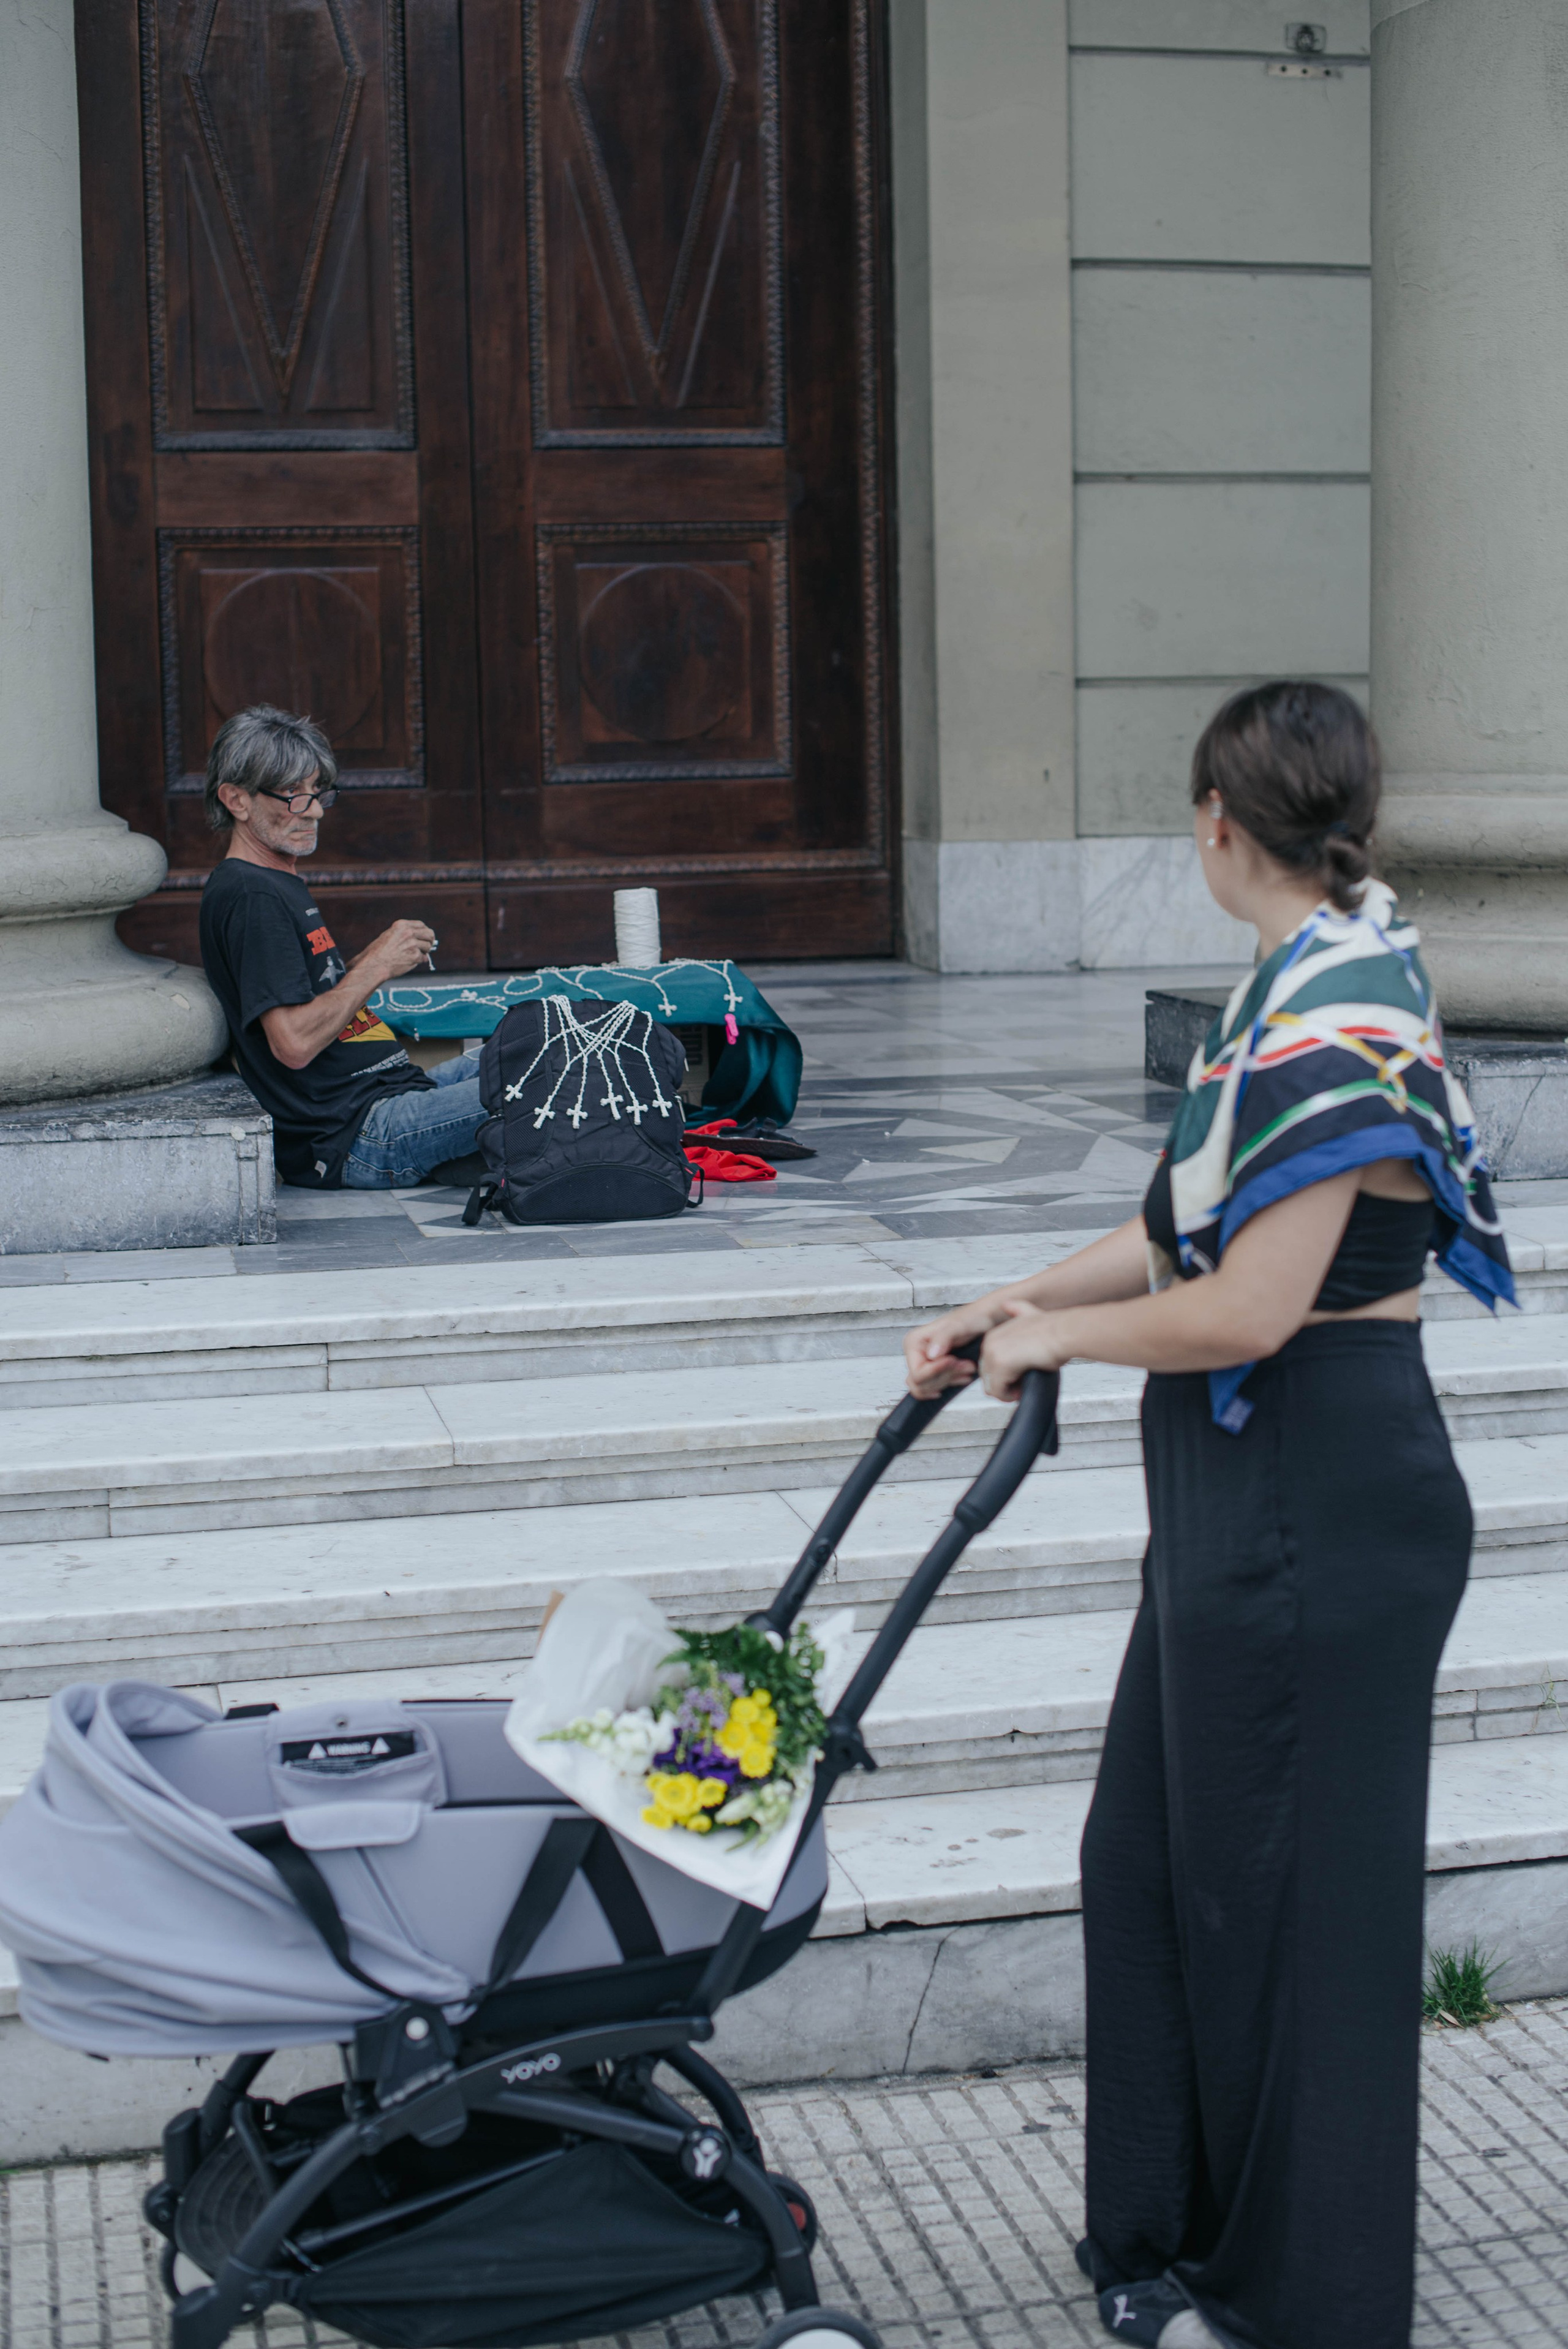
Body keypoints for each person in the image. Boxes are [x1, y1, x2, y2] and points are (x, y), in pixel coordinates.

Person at [903, 682, 1513, 2349]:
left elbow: (1250, 1307)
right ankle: (1170, 2231)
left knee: (1299, 1908)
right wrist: (1004, 1298)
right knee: (1157, 1857)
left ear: (1217, 825)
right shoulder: (1291, 982)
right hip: (1249, 1485)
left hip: (1327, 1484)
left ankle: (1296, 2306)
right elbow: (1177, 1222)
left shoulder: (1339, 1013)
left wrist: (1060, 1339)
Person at [198, 705, 488, 1190]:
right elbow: (292, 1043)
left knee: (548, 1038)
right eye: (291, 794)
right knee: (552, 1079)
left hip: (396, 1093)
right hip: (359, 1134)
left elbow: (312, 997)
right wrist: (374, 966)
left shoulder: (274, 880)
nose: (312, 809)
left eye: (316, 792)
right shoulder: (253, 895)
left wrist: (371, 959)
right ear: (236, 800)